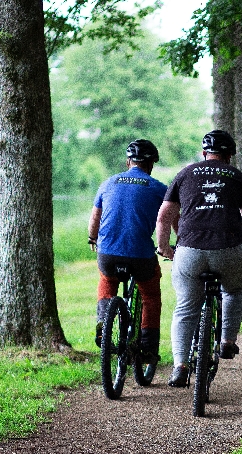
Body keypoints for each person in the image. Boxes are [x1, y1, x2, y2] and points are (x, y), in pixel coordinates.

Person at [156, 129, 242, 387]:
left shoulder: (185, 174)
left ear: (204, 153)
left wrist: (164, 247)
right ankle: (227, 341)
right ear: (229, 155)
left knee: (185, 307)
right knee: (236, 290)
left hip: (189, 251)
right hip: (229, 251)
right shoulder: (238, 177)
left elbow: (164, 216)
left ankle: (180, 366)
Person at [88, 139, 167, 362]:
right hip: (141, 256)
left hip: (108, 254)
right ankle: (148, 347)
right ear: (151, 164)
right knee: (150, 295)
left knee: (107, 279)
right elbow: (171, 219)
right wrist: (174, 244)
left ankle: (104, 326)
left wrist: (92, 238)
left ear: (128, 161)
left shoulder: (107, 183)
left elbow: (95, 217)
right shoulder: (159, 188)